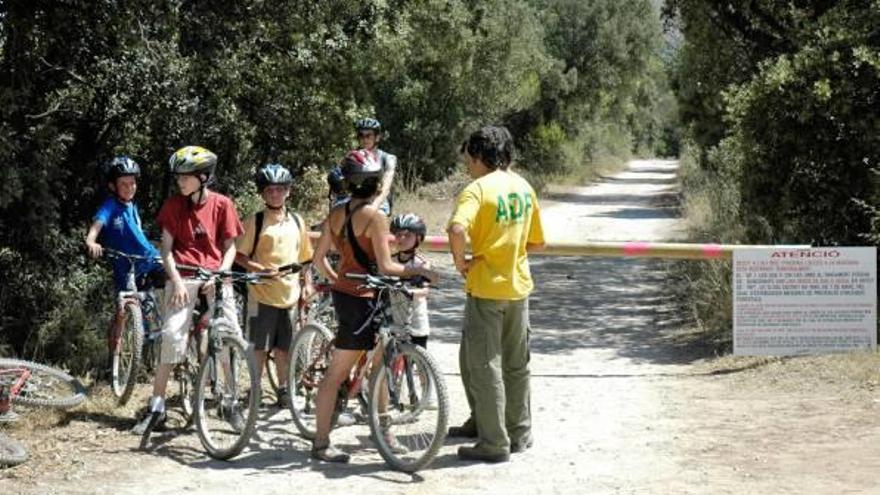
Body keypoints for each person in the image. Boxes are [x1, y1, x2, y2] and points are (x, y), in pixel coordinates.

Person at [309, 149, 438, 463]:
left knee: (379, 364)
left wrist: (340, 278)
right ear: (376, 183)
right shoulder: (375, 217)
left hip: (352, 294)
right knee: (337, 374)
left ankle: (383, 429)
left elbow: (318, 257)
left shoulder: (337, 211)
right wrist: (420, 271)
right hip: (362, 299)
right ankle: (321, 443)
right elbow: (388, 266)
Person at [446, 125, 545, 463]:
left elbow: (457, 228)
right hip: (518, 288)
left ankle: (493, 442)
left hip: (486, 289)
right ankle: (519, 432)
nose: (467, 168)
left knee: (484, 365)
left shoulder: (477, 190)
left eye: (468, 161)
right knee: (517, 364)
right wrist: (510, 252)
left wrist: (462, 262)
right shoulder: (523, 186)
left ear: (478, 157)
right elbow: (536, 242)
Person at [132, 145, 244, 434]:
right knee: (171, 336)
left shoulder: (223, 204)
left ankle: (231, 402)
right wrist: (178, 282)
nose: (180, 181)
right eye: (178, 177)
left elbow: (230, 249)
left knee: (230, 334)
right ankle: (157, 407)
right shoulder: (173, 206)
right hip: (182, 276)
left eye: (186, 176)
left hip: (215, 277)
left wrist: (220, 274)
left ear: (204, 177)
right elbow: (166, 250)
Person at [235, 163, 313, 407]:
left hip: (290, 293)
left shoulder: (298, 221)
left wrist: (307, 284)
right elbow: (239, 255)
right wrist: (259, 270)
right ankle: (255, 390)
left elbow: (305, 259)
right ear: (263, 193)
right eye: (270, 190)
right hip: (261, 294)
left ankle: (283, 390)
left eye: (280, 189)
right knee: (259, 346)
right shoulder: (255, 221)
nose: (275, 194)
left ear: (288, 191)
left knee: (284, 348)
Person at [85, 156, 164, 292]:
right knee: (126, 303)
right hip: (125, 266)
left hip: (149, 258)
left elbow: (137, 232)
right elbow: (97, 224)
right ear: (112, 186)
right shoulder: (110, 206)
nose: (129, 188)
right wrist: (91, 241)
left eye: (132, 183)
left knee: (175, 279)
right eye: (123, 184)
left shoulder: (132, 206)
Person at [354, 117, 396, 215]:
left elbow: (386, 188)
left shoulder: (388, 158)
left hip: (378, 201)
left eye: (368, 135)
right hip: (355, 199)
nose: (364, 139)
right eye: (361, 135)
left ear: (377, 137)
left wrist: (374, 207)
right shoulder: (352, 157)